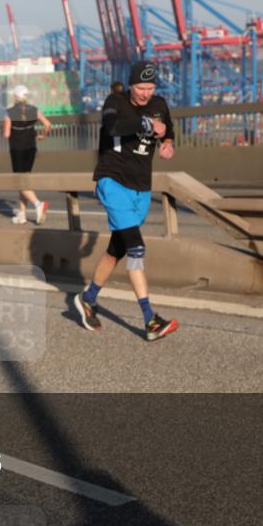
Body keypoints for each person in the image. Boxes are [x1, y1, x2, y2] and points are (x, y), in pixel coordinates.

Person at [73, 61, 180, 341]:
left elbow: (167, 129)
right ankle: (150, 319)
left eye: (150, 88)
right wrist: (145, 122)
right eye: (140, 88)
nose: (145, 93)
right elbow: (112, 126)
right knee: (136, 249)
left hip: (141, 187)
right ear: (130, 85)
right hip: (113, 180)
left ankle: (88, 298)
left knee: (116, 250)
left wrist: (168, 143)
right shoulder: (115, 101)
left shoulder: (159, 104)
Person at [2, 84, 52, 225]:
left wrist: (5, 129)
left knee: (19, 181)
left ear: (16, 97)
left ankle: (38, 204)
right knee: (25, 180)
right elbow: (48, 125)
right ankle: (22, 215)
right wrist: (43, 136)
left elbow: (6, 134)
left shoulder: (9, 112)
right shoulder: (34, 110)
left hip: (17, 150)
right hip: (31, 148)